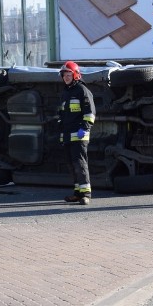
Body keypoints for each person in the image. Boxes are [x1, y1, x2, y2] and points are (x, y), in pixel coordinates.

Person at [58, 61, 96, 205]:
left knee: (80, 164)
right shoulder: (66, 92)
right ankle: (77, 193)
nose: (66, 77)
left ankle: (86, 194)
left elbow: (90, 112)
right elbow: (62, 115)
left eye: (69, 75)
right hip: (68, 135)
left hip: (79, 134)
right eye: (64, 75)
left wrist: (85, 128)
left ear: (75, 75)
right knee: (71, 165)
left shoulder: (82, 90)